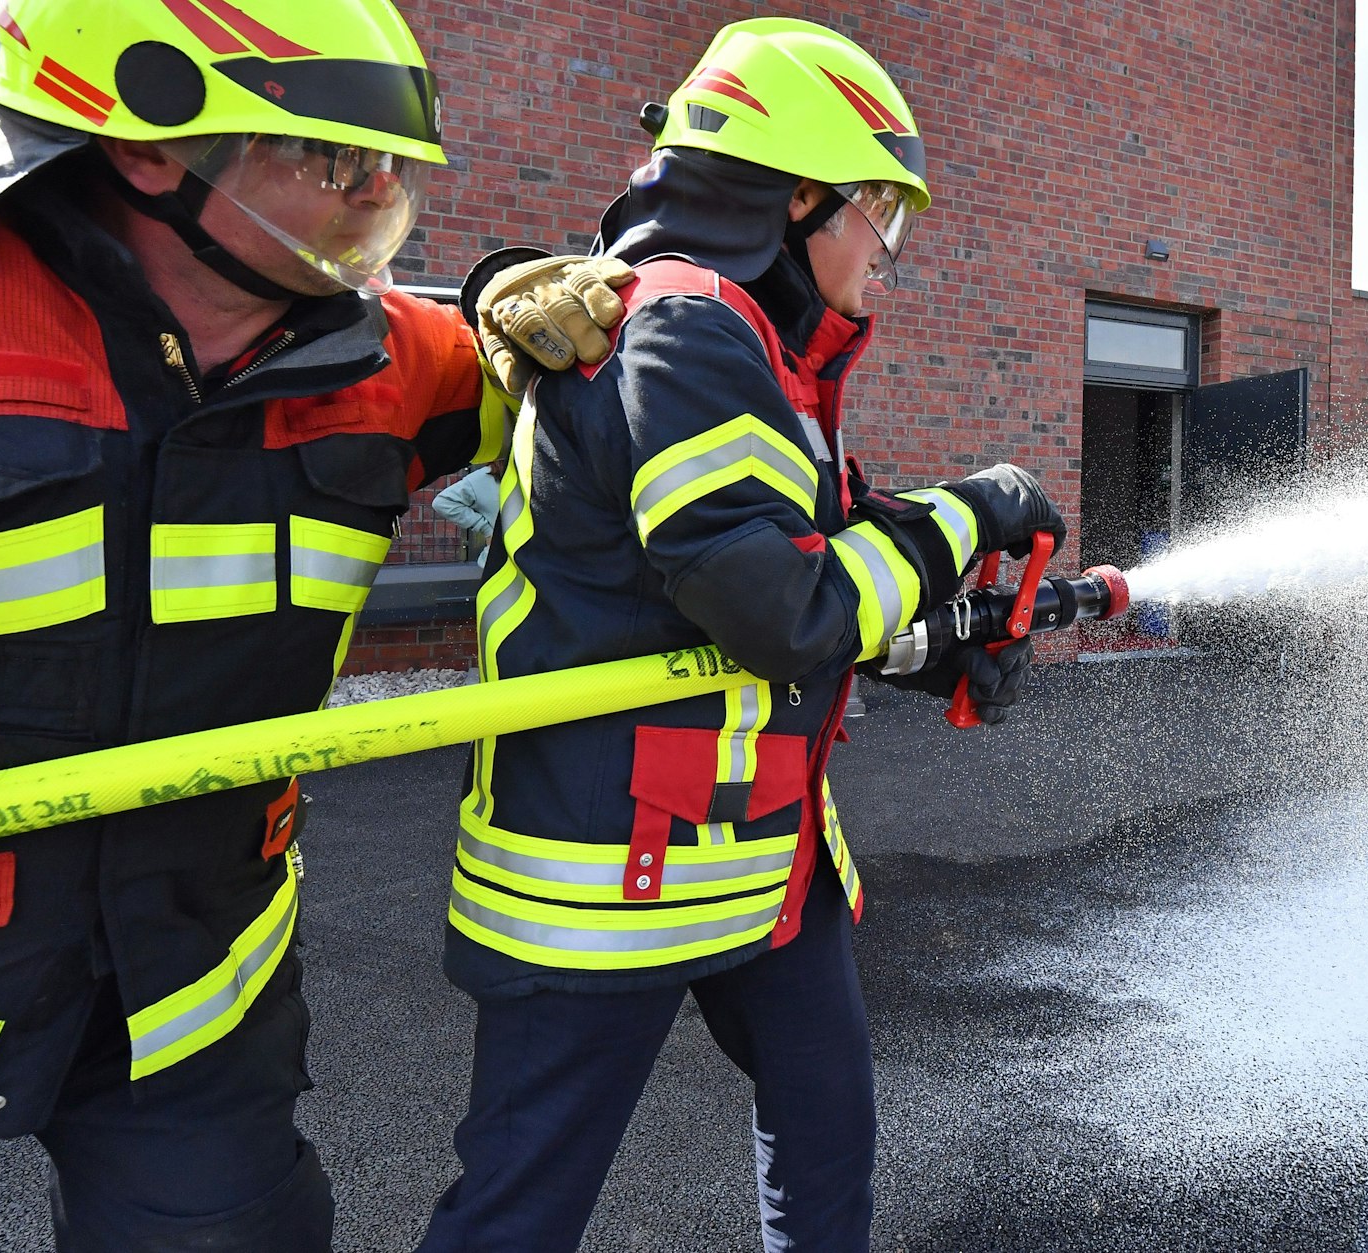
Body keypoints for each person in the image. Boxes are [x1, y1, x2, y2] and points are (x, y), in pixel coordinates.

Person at [0, 1, 621, 1247]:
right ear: (150, 150)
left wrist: (509, 295)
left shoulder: (389, 361)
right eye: (329, 157)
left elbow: (548, 372)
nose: (376, 191)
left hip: (194, 987)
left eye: (393, 162)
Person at [419, 17, 1066, 1253]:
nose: (892, 249)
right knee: (520, 1204)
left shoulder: (748, 343)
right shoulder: (692, 330)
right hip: (605, 872)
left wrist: (930, 643)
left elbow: (792, 573)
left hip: (750, 849)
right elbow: (781, 607)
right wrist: (967, 510)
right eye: (881, 209)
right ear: (794, 197)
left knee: (826, 1136)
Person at [433, 459, 507, 566]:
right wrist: (486, 529)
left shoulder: (534, 474)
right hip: (500, 563)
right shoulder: (484, 477)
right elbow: (442, 502)